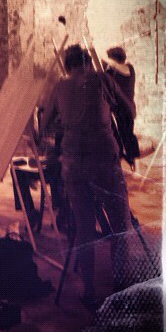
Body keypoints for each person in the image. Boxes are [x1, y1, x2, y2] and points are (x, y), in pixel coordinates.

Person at [42, 44, 135, 309]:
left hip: (74, 163)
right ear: (86, 62)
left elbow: (46, 124)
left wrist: (70, 124)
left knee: (84, 228)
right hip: (104, 159)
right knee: (119, 223)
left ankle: (89, 291)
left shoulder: (59, 86)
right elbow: (129, 110)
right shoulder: (102, 79)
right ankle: (120, 287)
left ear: (67, 66)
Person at [104, 46, 139, 167]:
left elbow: (120, 69)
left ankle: (133, 161)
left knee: (127, 135)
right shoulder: (112, 72)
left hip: (127, 109)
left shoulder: (128, 68)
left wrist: (108, 62)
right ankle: (126, 159)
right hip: (120, 110)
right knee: (119, 135)